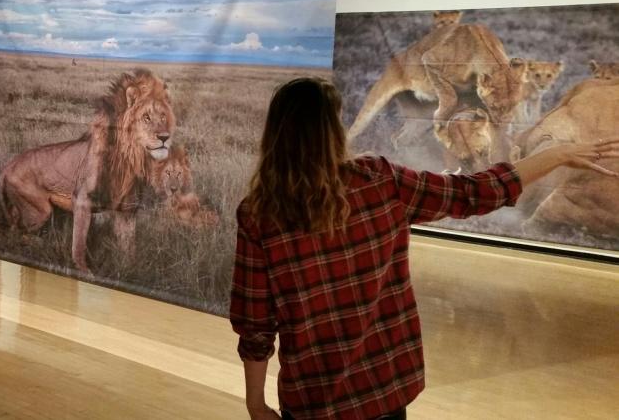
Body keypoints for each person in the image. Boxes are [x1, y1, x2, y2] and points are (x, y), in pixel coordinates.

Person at [229, 77, 619, 420]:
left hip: (314, 398)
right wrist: (556, 155)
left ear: (275, 133)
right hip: (385, 387)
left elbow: (255, 321)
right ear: (333, 130)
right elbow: (477, 192)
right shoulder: (379, 182)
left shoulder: (260, 214)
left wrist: (256, 403)